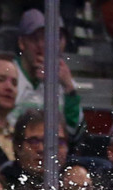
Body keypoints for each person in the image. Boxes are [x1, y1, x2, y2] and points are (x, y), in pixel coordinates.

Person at [13, 8, 84, 142]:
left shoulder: (63, 79)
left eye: (50, 39)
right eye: (35, 39)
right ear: (21, 43)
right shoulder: (7, 74)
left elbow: (73, 131)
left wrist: (69, 88)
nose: (42, 46)